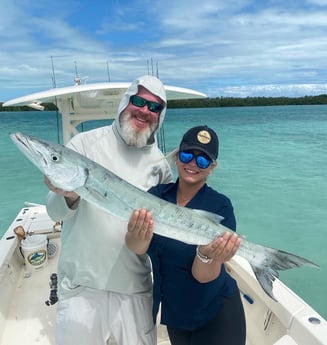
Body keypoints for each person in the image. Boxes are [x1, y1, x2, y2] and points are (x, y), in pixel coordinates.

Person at [44, 75, 173, 345]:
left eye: (154, 107)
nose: (145, 111)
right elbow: (55, 213)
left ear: (161, 116)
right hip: (81, 286)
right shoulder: (83, 146)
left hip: (135, 289)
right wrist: (68, 196)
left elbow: (166, 235)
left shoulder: (160, 165)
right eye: (139, 101)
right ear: (126, 101)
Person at [126, 125, 246, 345]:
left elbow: (204, 276)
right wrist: (137, 233)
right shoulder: (156, 197)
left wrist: (207, 254)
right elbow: (137, 247)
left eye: (202, 160)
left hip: (216, 312)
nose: (192, 164)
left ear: (212, 167)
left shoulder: (220, 206)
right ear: (177, 157)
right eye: (187, 155)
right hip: (176, 314)